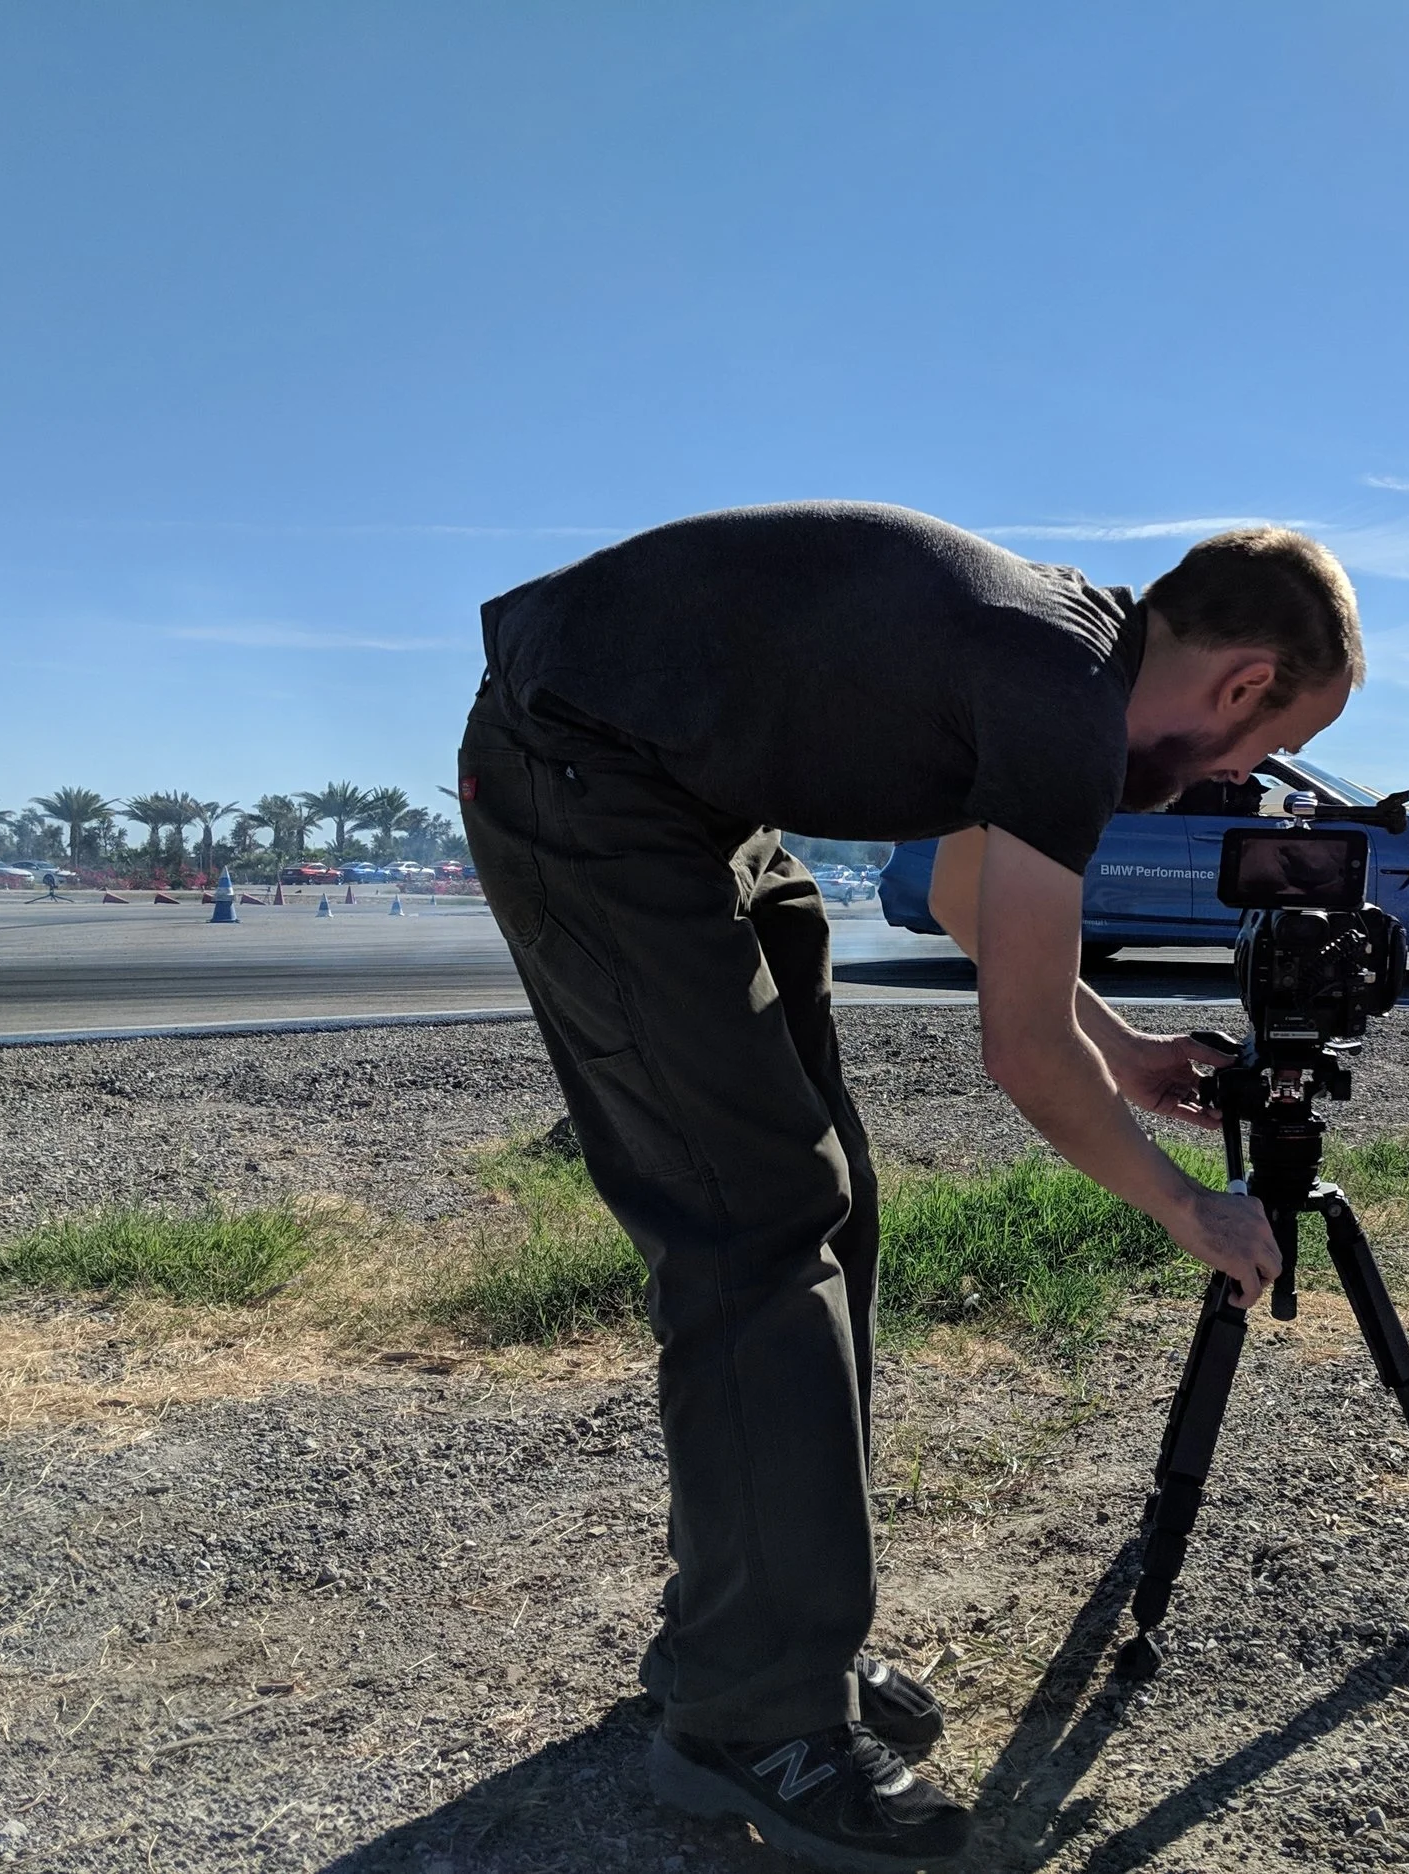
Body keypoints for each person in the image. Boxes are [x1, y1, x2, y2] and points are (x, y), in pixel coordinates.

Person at [458, 501, 1362, 1871]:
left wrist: (1124, 1058)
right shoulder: (1063, 692)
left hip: (689, 798)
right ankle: (754, 1715)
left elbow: (958, 902)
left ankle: (750, 1639)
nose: (1249, 776)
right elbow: (1016, 1048)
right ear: (1245, 684)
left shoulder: (1070, 659)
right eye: (1275, 746)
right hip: (579, 768)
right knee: (754, 1222)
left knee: (824, 1203)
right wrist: (1191, 1207)